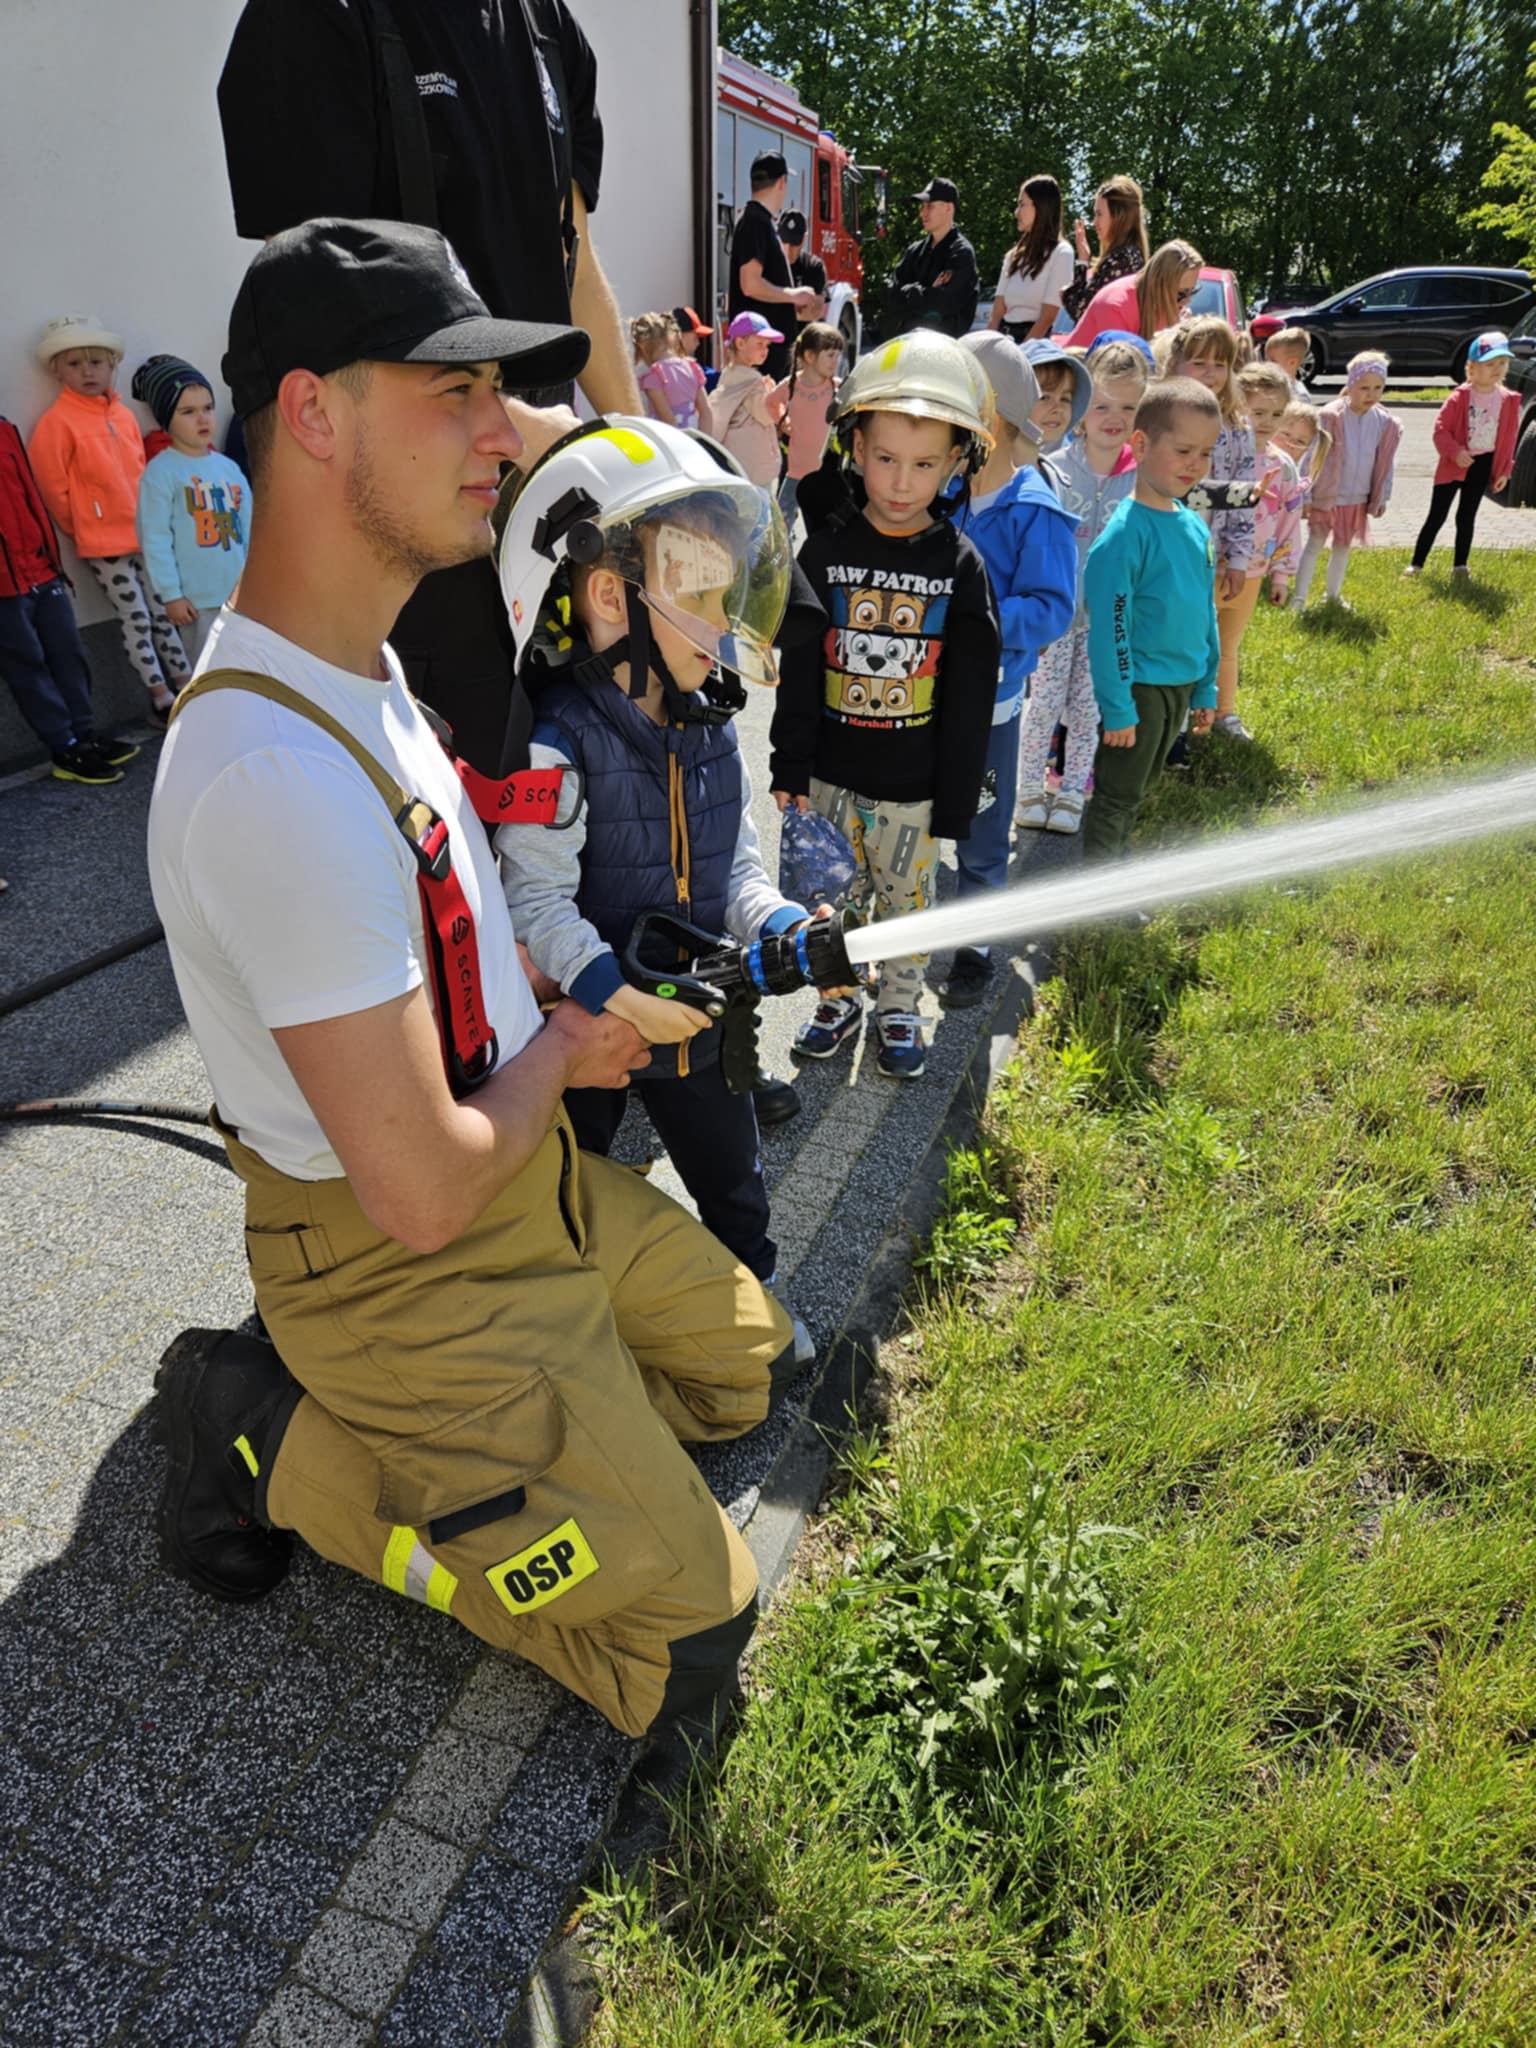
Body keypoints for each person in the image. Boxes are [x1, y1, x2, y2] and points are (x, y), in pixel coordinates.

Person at [147, 217, 796, 1750]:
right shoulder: (269, 775)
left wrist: (582, 999)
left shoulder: (356, 669)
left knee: (749, 1374)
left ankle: (539, 1424)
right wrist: (567, 1050)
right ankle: (268, 1438)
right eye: (455, 392)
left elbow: (467, 941)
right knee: (687, 1643)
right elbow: (423, 1196)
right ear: (315, 413)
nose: (504, 432)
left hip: (523, 1180)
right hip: (402, 1254)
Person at [218, 0, 639, 778]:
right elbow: (317, 297)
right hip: (412, 545)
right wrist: (511, 428)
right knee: (435, 806)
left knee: (568, 799)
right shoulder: (313, 19)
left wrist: (642, 460)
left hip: (545, 512)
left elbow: (573, 253)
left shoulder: (546, 25)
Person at [496, 417, 818, 1365]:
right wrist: (616, 996)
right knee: (577, 1182)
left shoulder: (712, 727)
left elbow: (736, 870)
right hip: (593, 1027)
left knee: (733, 1177)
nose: (727, 624)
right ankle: (579, 1328)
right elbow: (537, 907)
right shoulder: (559, 745)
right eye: (705, 597)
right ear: (609, 595)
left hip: (698, 1019)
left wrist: (780, 922)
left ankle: (752, 1308)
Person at [769, 330, 1001, 1079]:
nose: (902, 483)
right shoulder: (824, 552)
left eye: (925, 464)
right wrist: (790, 765)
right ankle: (838, 998)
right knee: (831, 902)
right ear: (856, 448)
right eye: (886, 459)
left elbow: (971, 693)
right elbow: (799, 666)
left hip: (914, 792)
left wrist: (956, 800)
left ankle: (900, 1004)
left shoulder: (960, 565)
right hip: (830, 779)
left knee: (907, 905)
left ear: (959, 461)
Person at [941, 331, 1075, 1006]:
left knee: (983, 824)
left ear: (986, 416)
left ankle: (975, 946)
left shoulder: (1035, 510)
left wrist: (977, 620)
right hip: (925, 694)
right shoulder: (942, 495)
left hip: (990, 703)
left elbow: (1052, 608)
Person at [1081, 379, 1221, 862]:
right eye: (1183, 450)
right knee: (1117, 797)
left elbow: (1205, 612)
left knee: (1140, 791)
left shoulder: (1194, 525)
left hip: (1180, 686)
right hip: (1139, 689)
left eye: (1205, 453)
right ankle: (1099, 892)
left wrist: (1206, 686)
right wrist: (1119, 707)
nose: (1195, 464)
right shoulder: (1123, 537)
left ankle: (1114, 877)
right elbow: (1110, 631)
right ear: (1140, 445)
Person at [28, 316, 191, 723]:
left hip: (146, 535)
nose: (88, 372)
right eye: (75, 364)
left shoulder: (122, 416)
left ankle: (188, 684)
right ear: (56, 370)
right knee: (136, 617)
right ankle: (160, 697)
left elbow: (141, 472)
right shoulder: (57, 423)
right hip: (105, 546)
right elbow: (52, 487)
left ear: (112, 365)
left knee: (163, 612)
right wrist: (85, 526)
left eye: (96, 362)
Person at [1018, 338, 1148, 835]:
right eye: (1102, 406)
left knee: (1089, 708)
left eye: (1128, 408)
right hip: (1056, 615)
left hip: (1108, 621)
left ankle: (1072, 791)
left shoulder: (1140, 476)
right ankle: (1029, 788)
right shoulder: (1054, 466)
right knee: (1044, 704)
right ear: (1082, 409)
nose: (1114, 418)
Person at [0, 413, 138, 785]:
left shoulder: (6, 429)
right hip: (5, 585)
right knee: (28, 666)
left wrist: (51, 558)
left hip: (41, 569)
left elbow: (28, 495)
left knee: (69, 652)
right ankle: (65, 747)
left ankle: (85, 734)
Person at [1161, 317, 1257, 740]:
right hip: (1162, 554)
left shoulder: (1237, 427)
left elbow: (1245, 496)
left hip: (1208, 556)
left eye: (1221, 364)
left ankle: (1198, 718)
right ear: (1175, 364)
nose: (1211, 373)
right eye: (1199, 362)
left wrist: (1238, 558)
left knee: (1200, 637)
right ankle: (1164, 721)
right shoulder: (1159, 418)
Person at [132, 355, 252, 667]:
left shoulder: (228, 468)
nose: (202, 419)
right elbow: (155, 540)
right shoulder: (161, 473)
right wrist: (171, 594)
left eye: (207, 408)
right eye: (188, 412)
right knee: (211, 670)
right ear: (165, 419)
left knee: (250, 668)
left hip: (242, 597)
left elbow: (249, 527)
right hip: (198, 602)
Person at [1404, 332, 1519, 580]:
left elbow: (1509, 439)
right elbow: (1440, 431)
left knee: (1466, 516)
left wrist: (1504, 470)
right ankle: (1416, 564)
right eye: (1490, 364)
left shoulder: (1507, 400)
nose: (1497, 369)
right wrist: (1455, 452)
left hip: (1482, 463)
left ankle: (1460, 566)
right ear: (1471, 368)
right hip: (1454, 463)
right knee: (1437, 515)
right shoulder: (1459, 397)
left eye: (1502, 363)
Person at [1291, 353, 1400, 613]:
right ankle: (1299, 598)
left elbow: (1386, 462)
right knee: (1315, 544)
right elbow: (1311, 457)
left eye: (1378, 388)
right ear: (1350, 385)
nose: (1371, 394)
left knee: (1342, 547)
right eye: (1364, 388)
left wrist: (1382, 495)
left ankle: (1333, 595)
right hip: (1327, 496)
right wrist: (1306, 494)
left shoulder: (1384, 422)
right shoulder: (1331, 417)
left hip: (1357, 498)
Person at [728, 153, 816, 383]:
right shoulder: (755, 222)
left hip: (766, 353)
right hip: (762, 356)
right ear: (781, 182)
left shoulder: (759, 221)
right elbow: (750, 284)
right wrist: (792, 295)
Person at [1234, 360, 1305, 616]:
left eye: (1277, 414)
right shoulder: (1219, 455)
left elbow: (1289, 523)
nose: (1267, 422)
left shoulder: (1283, 467)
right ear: (1237, 407)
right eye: (1258, 412)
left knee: (1232, 639)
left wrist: (1281, 576)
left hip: (1253, 570)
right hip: (1206, 568)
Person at [1066, 240, 1203, 350]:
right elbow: (1123, 368)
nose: (1188, 300)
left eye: (1193, 291)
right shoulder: (1115, 305)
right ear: (1159, 284)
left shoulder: (1167, 305)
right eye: (1181, 294)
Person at [988, 175, 1075, 342]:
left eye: (1022, 204)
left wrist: (1023, 352)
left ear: (1041, 207)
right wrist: (989, 345)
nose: (1016, 212)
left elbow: (1047, 317)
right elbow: (997, 311)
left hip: (1035, 345)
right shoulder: (1013, 255)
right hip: (1004, 339)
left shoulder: (1062, 253)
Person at [891, 178, 980, 341]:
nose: (922, 213)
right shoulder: (914, 251)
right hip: (909, 344)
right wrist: (927, 292)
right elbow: (891, 296)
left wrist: (910, 294)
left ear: (948, 208)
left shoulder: (961, 253)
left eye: (930, 206)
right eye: (922, 206)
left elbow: (945, 304)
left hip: (945, 348)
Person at [773, 322, 843, 526]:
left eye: (837, 356)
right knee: (781, 525)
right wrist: (782, 419)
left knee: (824, 526)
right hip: (796, 472)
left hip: (826, 475)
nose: (835, 362)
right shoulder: (791, 385)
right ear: (810, 356)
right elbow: (771, 402)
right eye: (830, 355)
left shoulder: (837, 387)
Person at [1060, 175, 1149, 324]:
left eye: (1099, 214)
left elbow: (1082, 311)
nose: (1094, 222)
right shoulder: (1132, 256)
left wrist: (1067, 292)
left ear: (1118, 217)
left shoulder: (1119, 260)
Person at [714, 314, 786, 491]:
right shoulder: (753, 382)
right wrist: (774, 393)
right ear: (740, 343)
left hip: (734, 461)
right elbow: (766, 415)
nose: (765, 350)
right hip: (755, 466)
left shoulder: (727, 375)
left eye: (767, 345)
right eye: (759, 344)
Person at [632, 312, 709, 433]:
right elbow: (706, 413)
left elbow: (668, 422)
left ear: (641, 346)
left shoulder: (654, 376)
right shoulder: (692, 367)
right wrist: (703, 441)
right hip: (693, 440)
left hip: (668, 440)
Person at [1021, 338, 1093, 456]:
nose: (1057, 408)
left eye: (1065, 399)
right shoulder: (992, 460)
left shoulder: (1074, 461)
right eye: (1044, 397)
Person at [778, 210, 829, 333]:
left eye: (794, 244)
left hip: (801, 340)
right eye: (785, 242)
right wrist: (796, 304)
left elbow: (814, 311)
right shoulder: (766, 264)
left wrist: (772, 304)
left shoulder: (813, 266)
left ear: (804, 239)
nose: (789, 249)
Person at [1264, 327, 1312, 396]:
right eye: (1266, 360)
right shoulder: (1271, 387)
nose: (1267, 365)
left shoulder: (1299, 395)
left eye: (1273, 361)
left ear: (1292, 362)